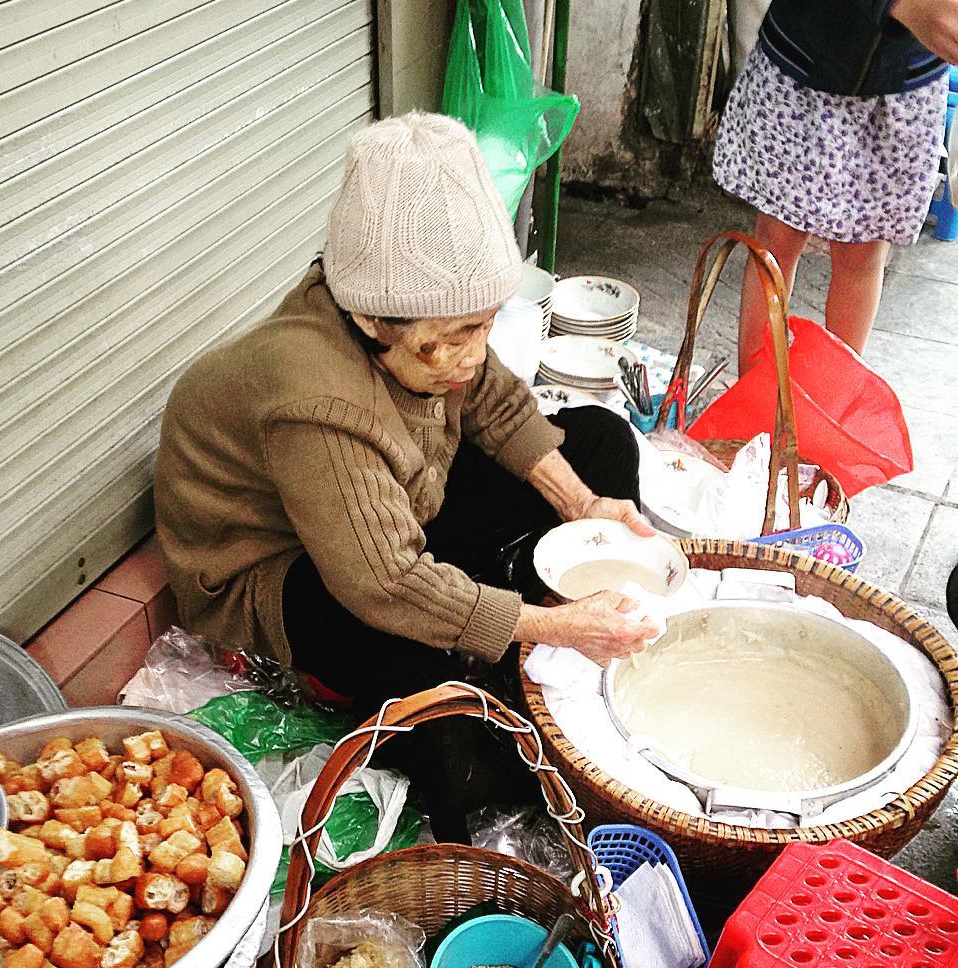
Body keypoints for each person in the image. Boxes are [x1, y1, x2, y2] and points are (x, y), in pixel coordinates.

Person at [155, 113, 657, 838]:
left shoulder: (425, 328)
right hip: (283, 569)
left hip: (382, 509)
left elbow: (493, 401)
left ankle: (503, 621)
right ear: (371, 323)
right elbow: (385, 582)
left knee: (602, 440)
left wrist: (583, 506)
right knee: (452, 733)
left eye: (485, 324)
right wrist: (556, 625)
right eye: (453, 340)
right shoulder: (319, 402)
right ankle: (499, 645)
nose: (474, 354)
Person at [713, 0, 958, 372]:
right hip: (804, 63)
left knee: (863, 251)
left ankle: (835, 397)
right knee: (777, 240)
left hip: (904, 82)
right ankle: (754, 396)